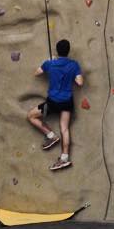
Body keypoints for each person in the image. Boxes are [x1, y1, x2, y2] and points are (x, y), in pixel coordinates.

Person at [26, 39, 84, 171]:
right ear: (68, 51)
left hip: (52, 103)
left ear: (57, 51)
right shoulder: (74, 64)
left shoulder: (50, 63)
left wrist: (48, 61)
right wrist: (73, 75)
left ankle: (51, 136)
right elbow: (80, 83)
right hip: (67, 102)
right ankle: (64, 158)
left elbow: (37, 73)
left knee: (31, 116)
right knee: (65, 128)